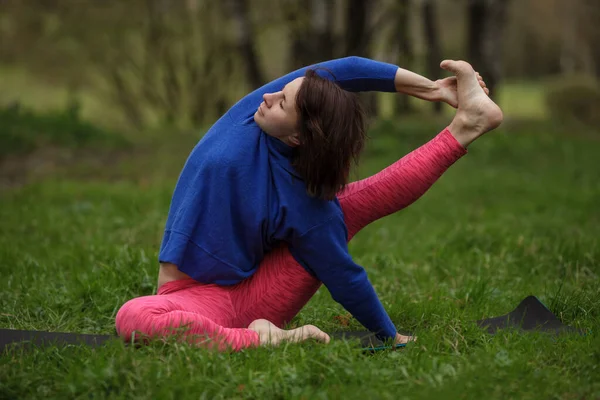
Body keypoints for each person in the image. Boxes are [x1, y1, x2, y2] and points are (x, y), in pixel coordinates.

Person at [115, 57, 502, 351]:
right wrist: (433, 89)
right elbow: (348, 69)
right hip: (190, 293)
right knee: (346, 206)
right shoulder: (254, 114)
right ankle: (466, 123)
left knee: (133, 316)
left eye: (282, 101)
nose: (268, 95)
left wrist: (390, 335)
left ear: (299, 138)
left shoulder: (302, 203)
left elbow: (344, 275)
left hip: (237, 300)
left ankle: (268, 338)